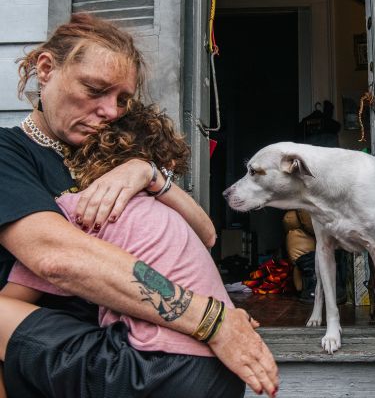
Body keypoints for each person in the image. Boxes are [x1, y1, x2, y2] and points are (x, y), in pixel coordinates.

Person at [0, 13, 278, 397]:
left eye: (122, 100)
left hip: (130, 355)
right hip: (78, 359)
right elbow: (55, 255)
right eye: (95, 89)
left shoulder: (110, 157)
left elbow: (208, 235)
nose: (112, 111)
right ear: (46, 69)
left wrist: (147, 173)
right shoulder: (9, 153)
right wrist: (210, 318)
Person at [0, 101, 248, 397]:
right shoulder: (170, 215)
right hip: (226, 367)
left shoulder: (87, 208)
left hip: (159, 368)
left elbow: (14, 298)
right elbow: (209, 235)